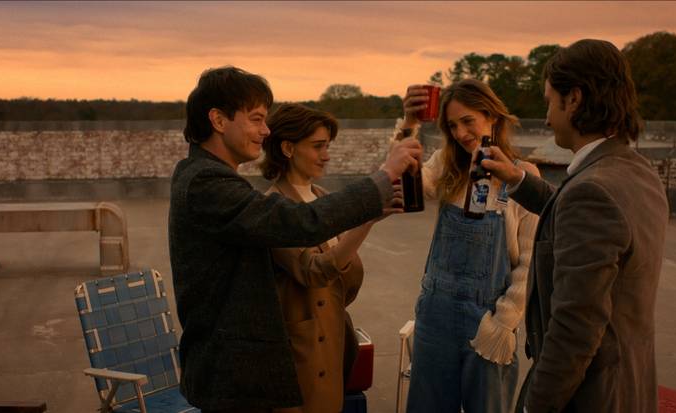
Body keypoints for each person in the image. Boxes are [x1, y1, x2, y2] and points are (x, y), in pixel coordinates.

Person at [168, 66, 422, 413]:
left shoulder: (208, 177)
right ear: (218, 120)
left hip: (242, 374)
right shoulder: (206, 183)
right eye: (256, 119)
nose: (265, 130)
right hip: (234, 378)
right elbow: (297, 221)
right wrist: (381, 178)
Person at [480, 39, 669, 413]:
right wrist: (518, 179)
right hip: (630, 386)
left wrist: (536, 405)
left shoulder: (592, 192)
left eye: (551, 101)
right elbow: (578, 216)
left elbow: (575, 329)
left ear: (574, 100)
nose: (548, 118)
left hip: (589, 397)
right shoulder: (635, 171)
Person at [398, 79, 540, 413]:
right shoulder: (446, 166)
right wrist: (408, 125)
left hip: (487, 319)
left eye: (467, 121)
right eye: (452, 125)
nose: (461, 133)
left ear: (491, 116)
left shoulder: (522, 176)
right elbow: (402, 191)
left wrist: (503, 323)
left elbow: (530, 262)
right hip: (436, 315)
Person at [258, 103, 395, 413]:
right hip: (300, 357)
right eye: (318, 146)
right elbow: (314, 271)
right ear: (288, 148)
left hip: (330, 349)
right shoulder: (274, 207)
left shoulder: (320, 196)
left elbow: (343, 281)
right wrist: (366, 221)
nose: (327, 155)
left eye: (327, 146)